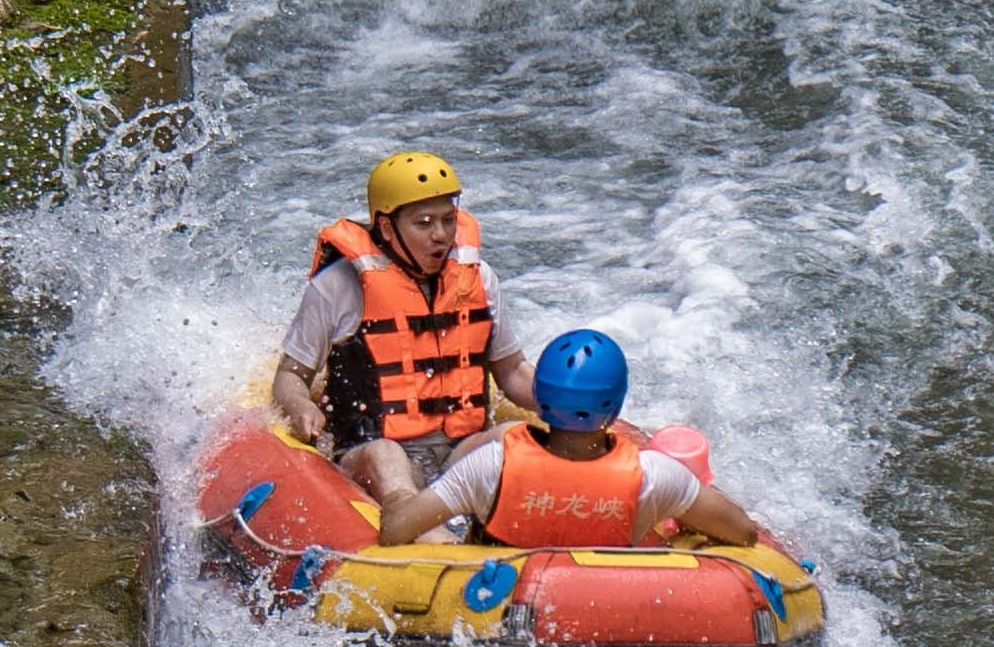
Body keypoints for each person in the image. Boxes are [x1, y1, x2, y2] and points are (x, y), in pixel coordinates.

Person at [270, 151, 541, 510]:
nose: (440, 235)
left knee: (512, 437)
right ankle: (419, 537)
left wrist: (568, 403)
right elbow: (290, 374)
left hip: (460, 451)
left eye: (448, 220)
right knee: (386, 456)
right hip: (370, 451)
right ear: (386, 228)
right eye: (424, 223)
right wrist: (300, 405)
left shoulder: (479, 278)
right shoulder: (338, 287)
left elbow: (512, 371)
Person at [374, 327, 762, 552]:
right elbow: (742, 532)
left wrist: (395, 496)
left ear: (538, 403)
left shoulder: (491, 464)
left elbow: (396, 531)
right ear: (614, 411)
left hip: (501, 613)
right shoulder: (656, 476)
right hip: (608, 613)